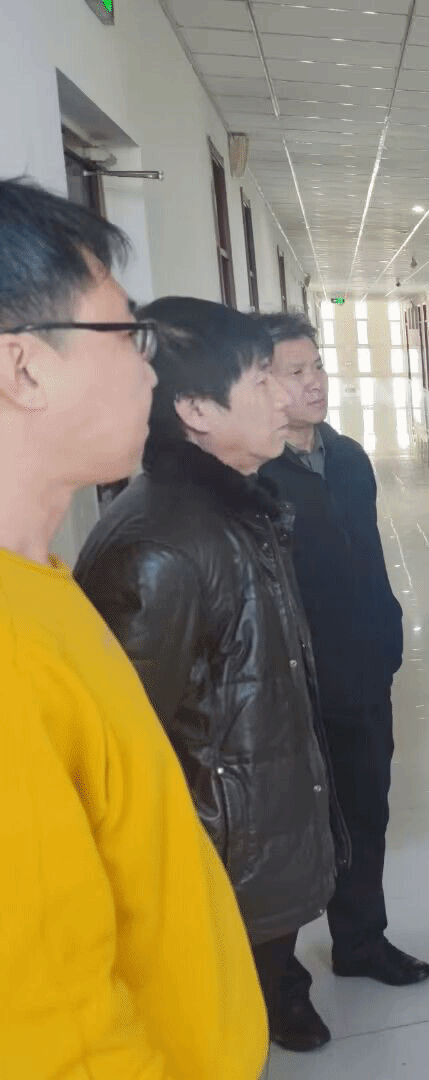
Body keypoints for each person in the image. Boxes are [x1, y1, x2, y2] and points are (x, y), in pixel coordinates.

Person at [0, 178, 265, 1078]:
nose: (151, 371)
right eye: (127, 335)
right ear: (24, 367)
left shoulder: (41, 583)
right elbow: (49, 1040)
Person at [75, 296, 343, 1053]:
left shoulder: (234, 511)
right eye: (262, 381)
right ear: (195, 409)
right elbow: (120, 762)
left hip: (247, 850)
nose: (284, 398)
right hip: (213, 870)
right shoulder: (159, 548)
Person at [258, 314, 429, 999]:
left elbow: (367, 556)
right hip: (289, 688)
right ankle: (278, 984)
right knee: (291, 834)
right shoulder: (251, 476)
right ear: (259, 383)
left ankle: (360, 941)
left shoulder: (351, 457)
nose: (315, 382)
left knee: (364, 813)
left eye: (318, 366)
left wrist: (387, 628)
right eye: (295, 372)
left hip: (362, 672)